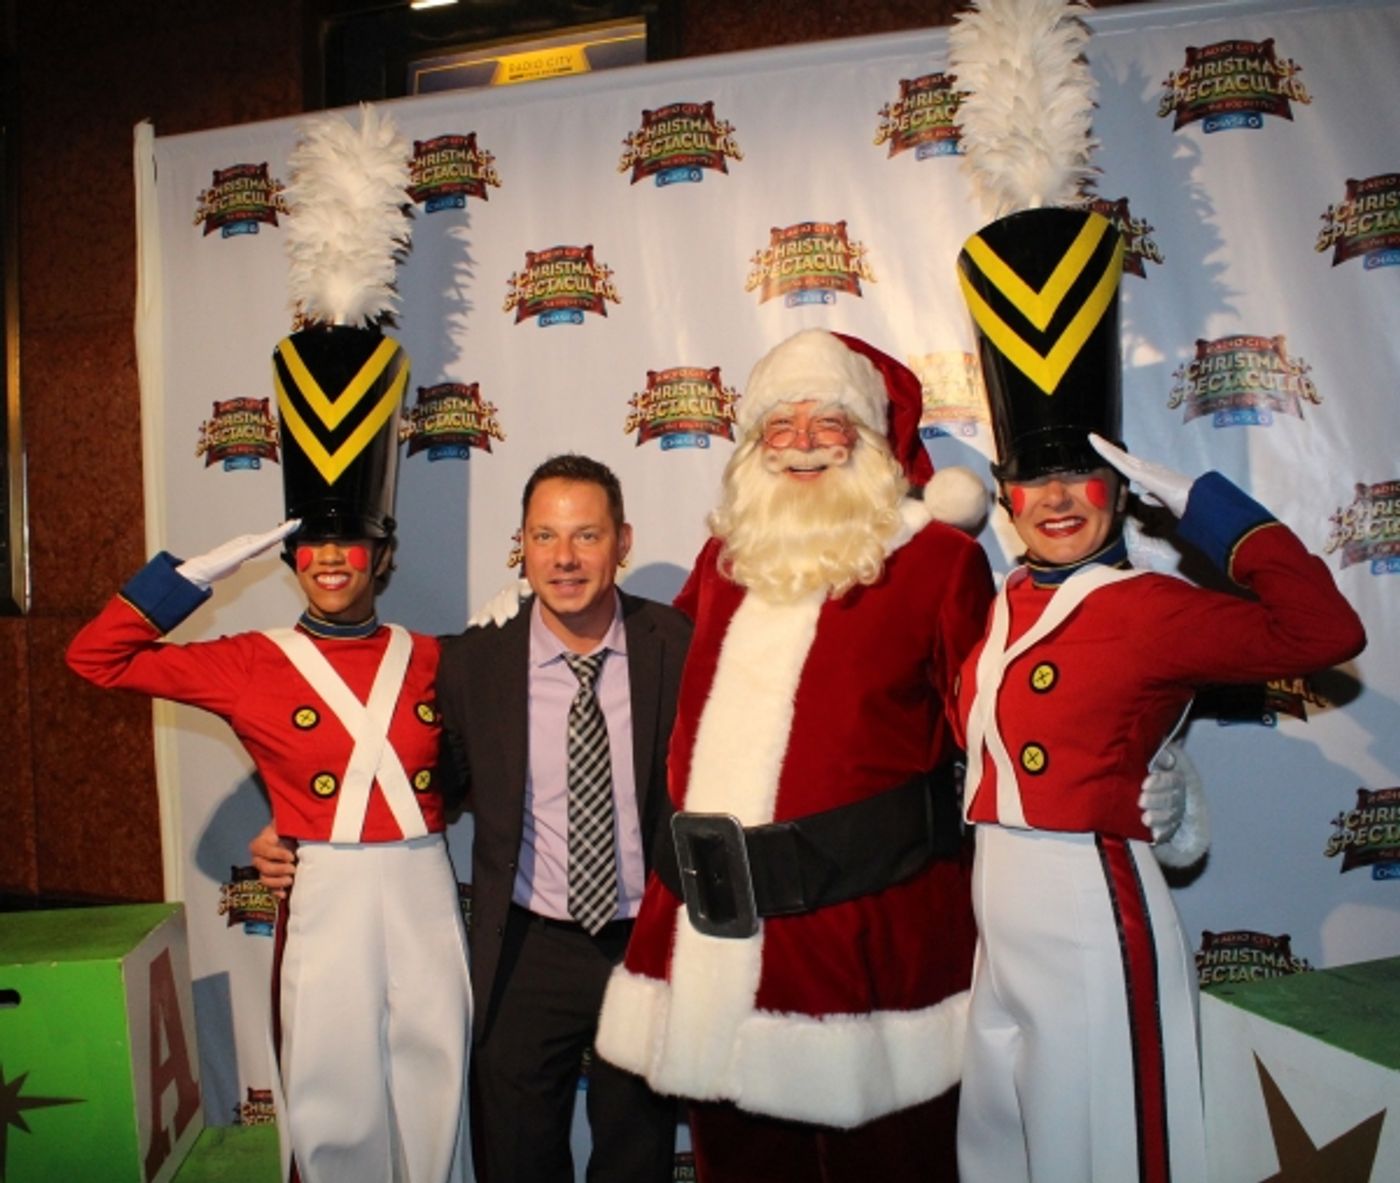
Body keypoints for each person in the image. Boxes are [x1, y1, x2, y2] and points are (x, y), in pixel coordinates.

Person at [951, 206, 1367, 1182]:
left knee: (1102, 1137)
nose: (1058, 498)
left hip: (1086, 896)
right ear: (1006, 496)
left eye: (1083, 475)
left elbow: (1324, 633)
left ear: (1118, 486)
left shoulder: (1152, 605)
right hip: (996, 905)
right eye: (1035, 478)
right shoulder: (1002, 599)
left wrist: (1199, 502)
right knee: (1001, 1137)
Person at [592, 327, 994, 1181]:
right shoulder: (723, 559)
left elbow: (994, 727)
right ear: (754, 444)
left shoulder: (938, 561)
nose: (803, 441)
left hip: (868, 949)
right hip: (713, 949)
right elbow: (647, 673)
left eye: (828, 421)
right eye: (782, 422)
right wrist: (550, 623)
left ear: (868, 439)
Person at [255, 453, 687, 1183]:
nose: (564, 557)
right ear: (522, 545)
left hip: (643, 944)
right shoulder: (474, 661)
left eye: (586, 536)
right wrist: (299, 823)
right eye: (545, 536)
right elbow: (421, 780)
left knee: (637, 1155)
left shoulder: (678, 646)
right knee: (515, 1156)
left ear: (623, 541)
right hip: (523, 950)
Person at [66, 522, 472, 1183]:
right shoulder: (250, 661)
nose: (331, 558)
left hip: (424, 884)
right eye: (313, 543)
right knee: (329, 1082)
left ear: (384, 557)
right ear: (291, 558)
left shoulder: (435, 657)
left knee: (439, 1074)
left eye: (351, 540)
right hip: (325, 889)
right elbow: (95, 656)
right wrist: (191, 576)